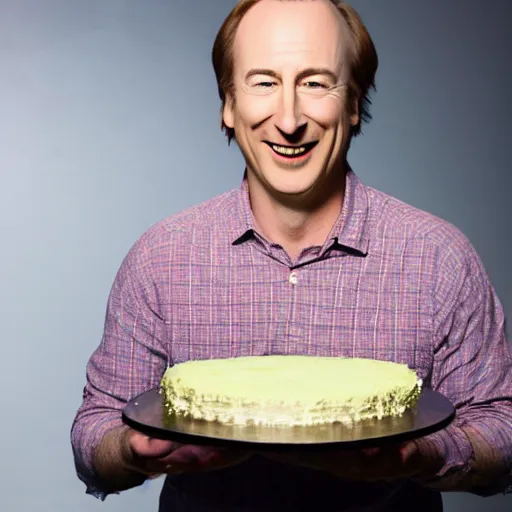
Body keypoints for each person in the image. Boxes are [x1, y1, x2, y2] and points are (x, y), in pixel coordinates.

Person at [71, 1, 512, 510]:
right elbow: (94, 432)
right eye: (263, 82)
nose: (288, 118)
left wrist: (423, 455)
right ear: (229, 105)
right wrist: (132, 451)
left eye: (315, 82)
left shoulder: (439, 258)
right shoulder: (162, 257)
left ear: (353, 103)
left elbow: (499, 429)